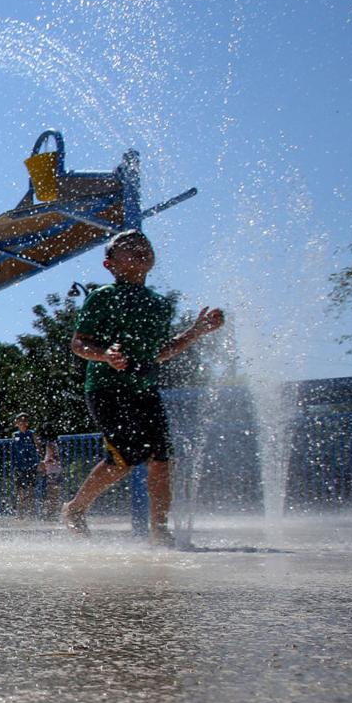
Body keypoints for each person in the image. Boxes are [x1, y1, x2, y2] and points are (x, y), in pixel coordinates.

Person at [62, 231, 225, 545]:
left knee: (162, 460)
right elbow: (78, 344)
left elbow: (160, 352)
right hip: (106, 388)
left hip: (145, 390)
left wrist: (196, 331)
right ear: (109, 265)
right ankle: (76, 509)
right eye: (130, 249)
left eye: (145, 246)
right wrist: (105, 355)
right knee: (124, 458)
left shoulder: (158, 304)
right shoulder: (103, 297)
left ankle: (159, 531)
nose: (140, 250)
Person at [8, 413, 41, 518]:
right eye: (20, 421)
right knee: (20, 490)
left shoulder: (32, 434)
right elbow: (13, 450)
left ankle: (31, 512)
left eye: (24, 421)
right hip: (19, 466)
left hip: (31, 465)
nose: (22, 423)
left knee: (31, 489)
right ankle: (20, 513)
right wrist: (12, 464)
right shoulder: (15, 435)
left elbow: (38, 448)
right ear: (16, 423)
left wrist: (40, 462)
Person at [37, 429, 63, 520]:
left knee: (51, 493)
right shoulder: (55, 443)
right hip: (56, 471)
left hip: (52, 472)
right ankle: (53, 513)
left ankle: (51, 514)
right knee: (54, 493)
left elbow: (51, 458)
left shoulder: (49, 445)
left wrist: (42, 463)